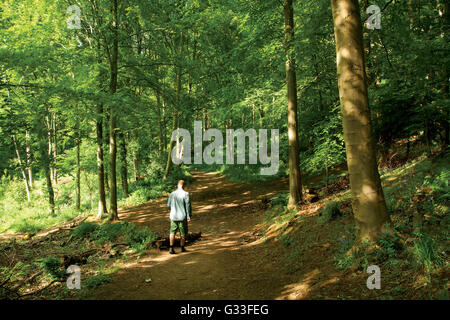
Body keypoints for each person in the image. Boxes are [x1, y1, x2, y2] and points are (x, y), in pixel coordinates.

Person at [167, 180, 192, 254]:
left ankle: (171, 248)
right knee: (183, 233)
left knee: (172, 232)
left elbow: (168, 205)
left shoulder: (172, 194)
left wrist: (173, 210)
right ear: (184, 186)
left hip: (173, 216)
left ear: (177, 185)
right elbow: (188, 206)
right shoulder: (186, 194)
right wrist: (188, 216)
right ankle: (182, 248)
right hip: (182, 217)